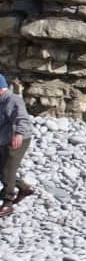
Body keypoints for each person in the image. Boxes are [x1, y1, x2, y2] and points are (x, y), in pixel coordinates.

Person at [0, 74, 32, 215]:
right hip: (3, 138)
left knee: (8, 170)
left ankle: (7, 203)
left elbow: (23, 119)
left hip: (18, 138)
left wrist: (18, 134)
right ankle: (24, 188)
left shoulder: (13, 100)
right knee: (2, 170)